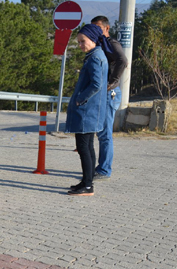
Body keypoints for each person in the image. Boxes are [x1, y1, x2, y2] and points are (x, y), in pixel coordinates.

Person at [65, 24, 109, 196]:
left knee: (83, 147)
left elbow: (97, 84)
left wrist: (80, 99)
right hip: (89, 110)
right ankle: (86, 181)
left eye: (83, 41)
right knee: (87, 147)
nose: (80, 45)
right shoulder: (96, 55)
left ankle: (88, 185)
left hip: (87, 110)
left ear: (93, 39)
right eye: (79, 42)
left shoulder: (95, 57)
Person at [91, 16, 128, 181]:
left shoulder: (111, 43)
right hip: (101, 93)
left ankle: (104, 170)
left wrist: (112, 82)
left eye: (99, 27)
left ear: (107, 28)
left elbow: (123, 60)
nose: (96, 31)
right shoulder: (100, 45)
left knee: (105, 134)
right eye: (94, 28)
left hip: (109, 94)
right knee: (100, 132)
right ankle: (101, 167)